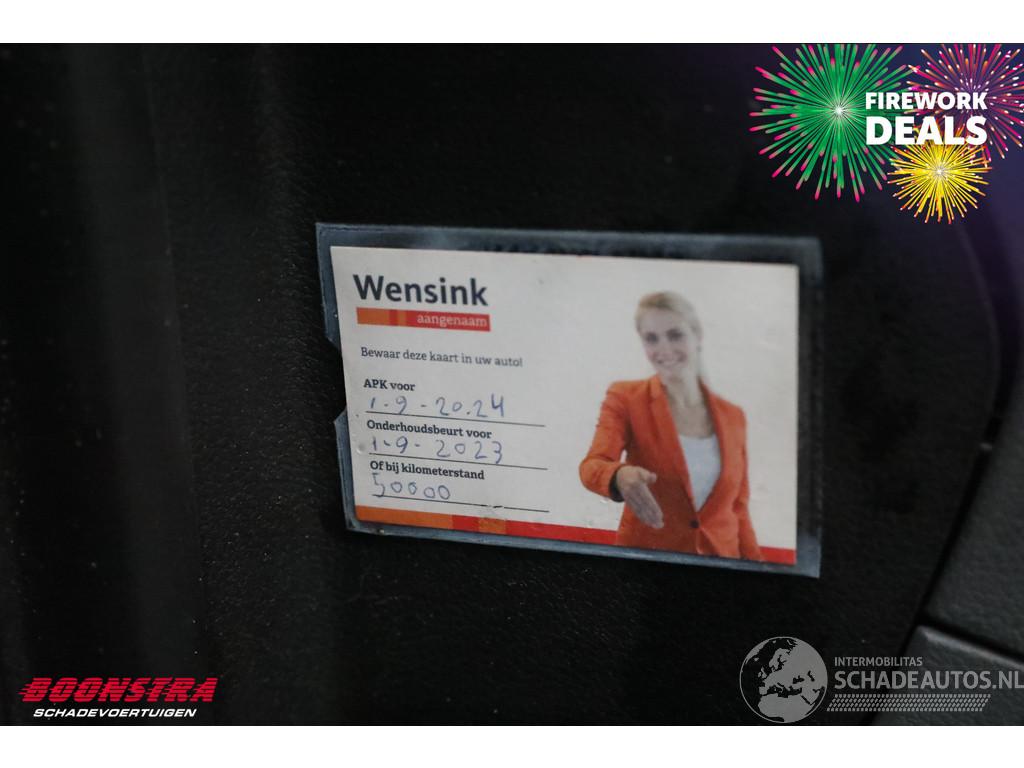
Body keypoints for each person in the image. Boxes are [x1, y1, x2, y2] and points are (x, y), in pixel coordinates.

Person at [579, 291, 762, 560]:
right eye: (651, 338)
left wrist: (757, 570)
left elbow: (739, 509)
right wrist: (619, 476)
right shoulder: (626, 398)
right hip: (649, 567)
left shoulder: (733, 416)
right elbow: (592, 465)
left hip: (721, 564)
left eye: (675, 335)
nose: (664, 349)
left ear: (697, 335)